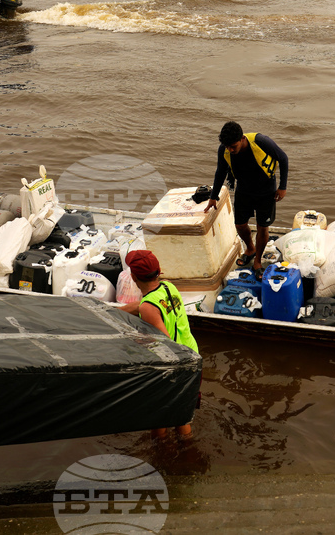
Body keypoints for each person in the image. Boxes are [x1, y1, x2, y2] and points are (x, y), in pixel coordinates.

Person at [121, 249, 199, 440]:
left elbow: (165, 344)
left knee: (158, 416)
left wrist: (137, 341)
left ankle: (161, 453)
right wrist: (111, 312)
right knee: (182, 414)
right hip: (191, 354)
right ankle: (188, 453)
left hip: (175, 362)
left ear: (132, 276)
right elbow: (143, 306)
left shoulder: (148, 307)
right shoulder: (167, 287)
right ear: (158, 272)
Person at [205, 121, 288, 277]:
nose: (230, 150)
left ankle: (257, 261)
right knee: (240, 225)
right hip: (244, 190)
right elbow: (220, 172)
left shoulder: (261, 142)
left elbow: (283, 159)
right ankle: (250, 248)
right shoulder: (225, 150)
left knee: (262, 227)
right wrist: (213, 196)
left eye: (233, 146)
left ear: (242, 138)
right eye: (227, 146)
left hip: (266, 191)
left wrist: (282, 187)